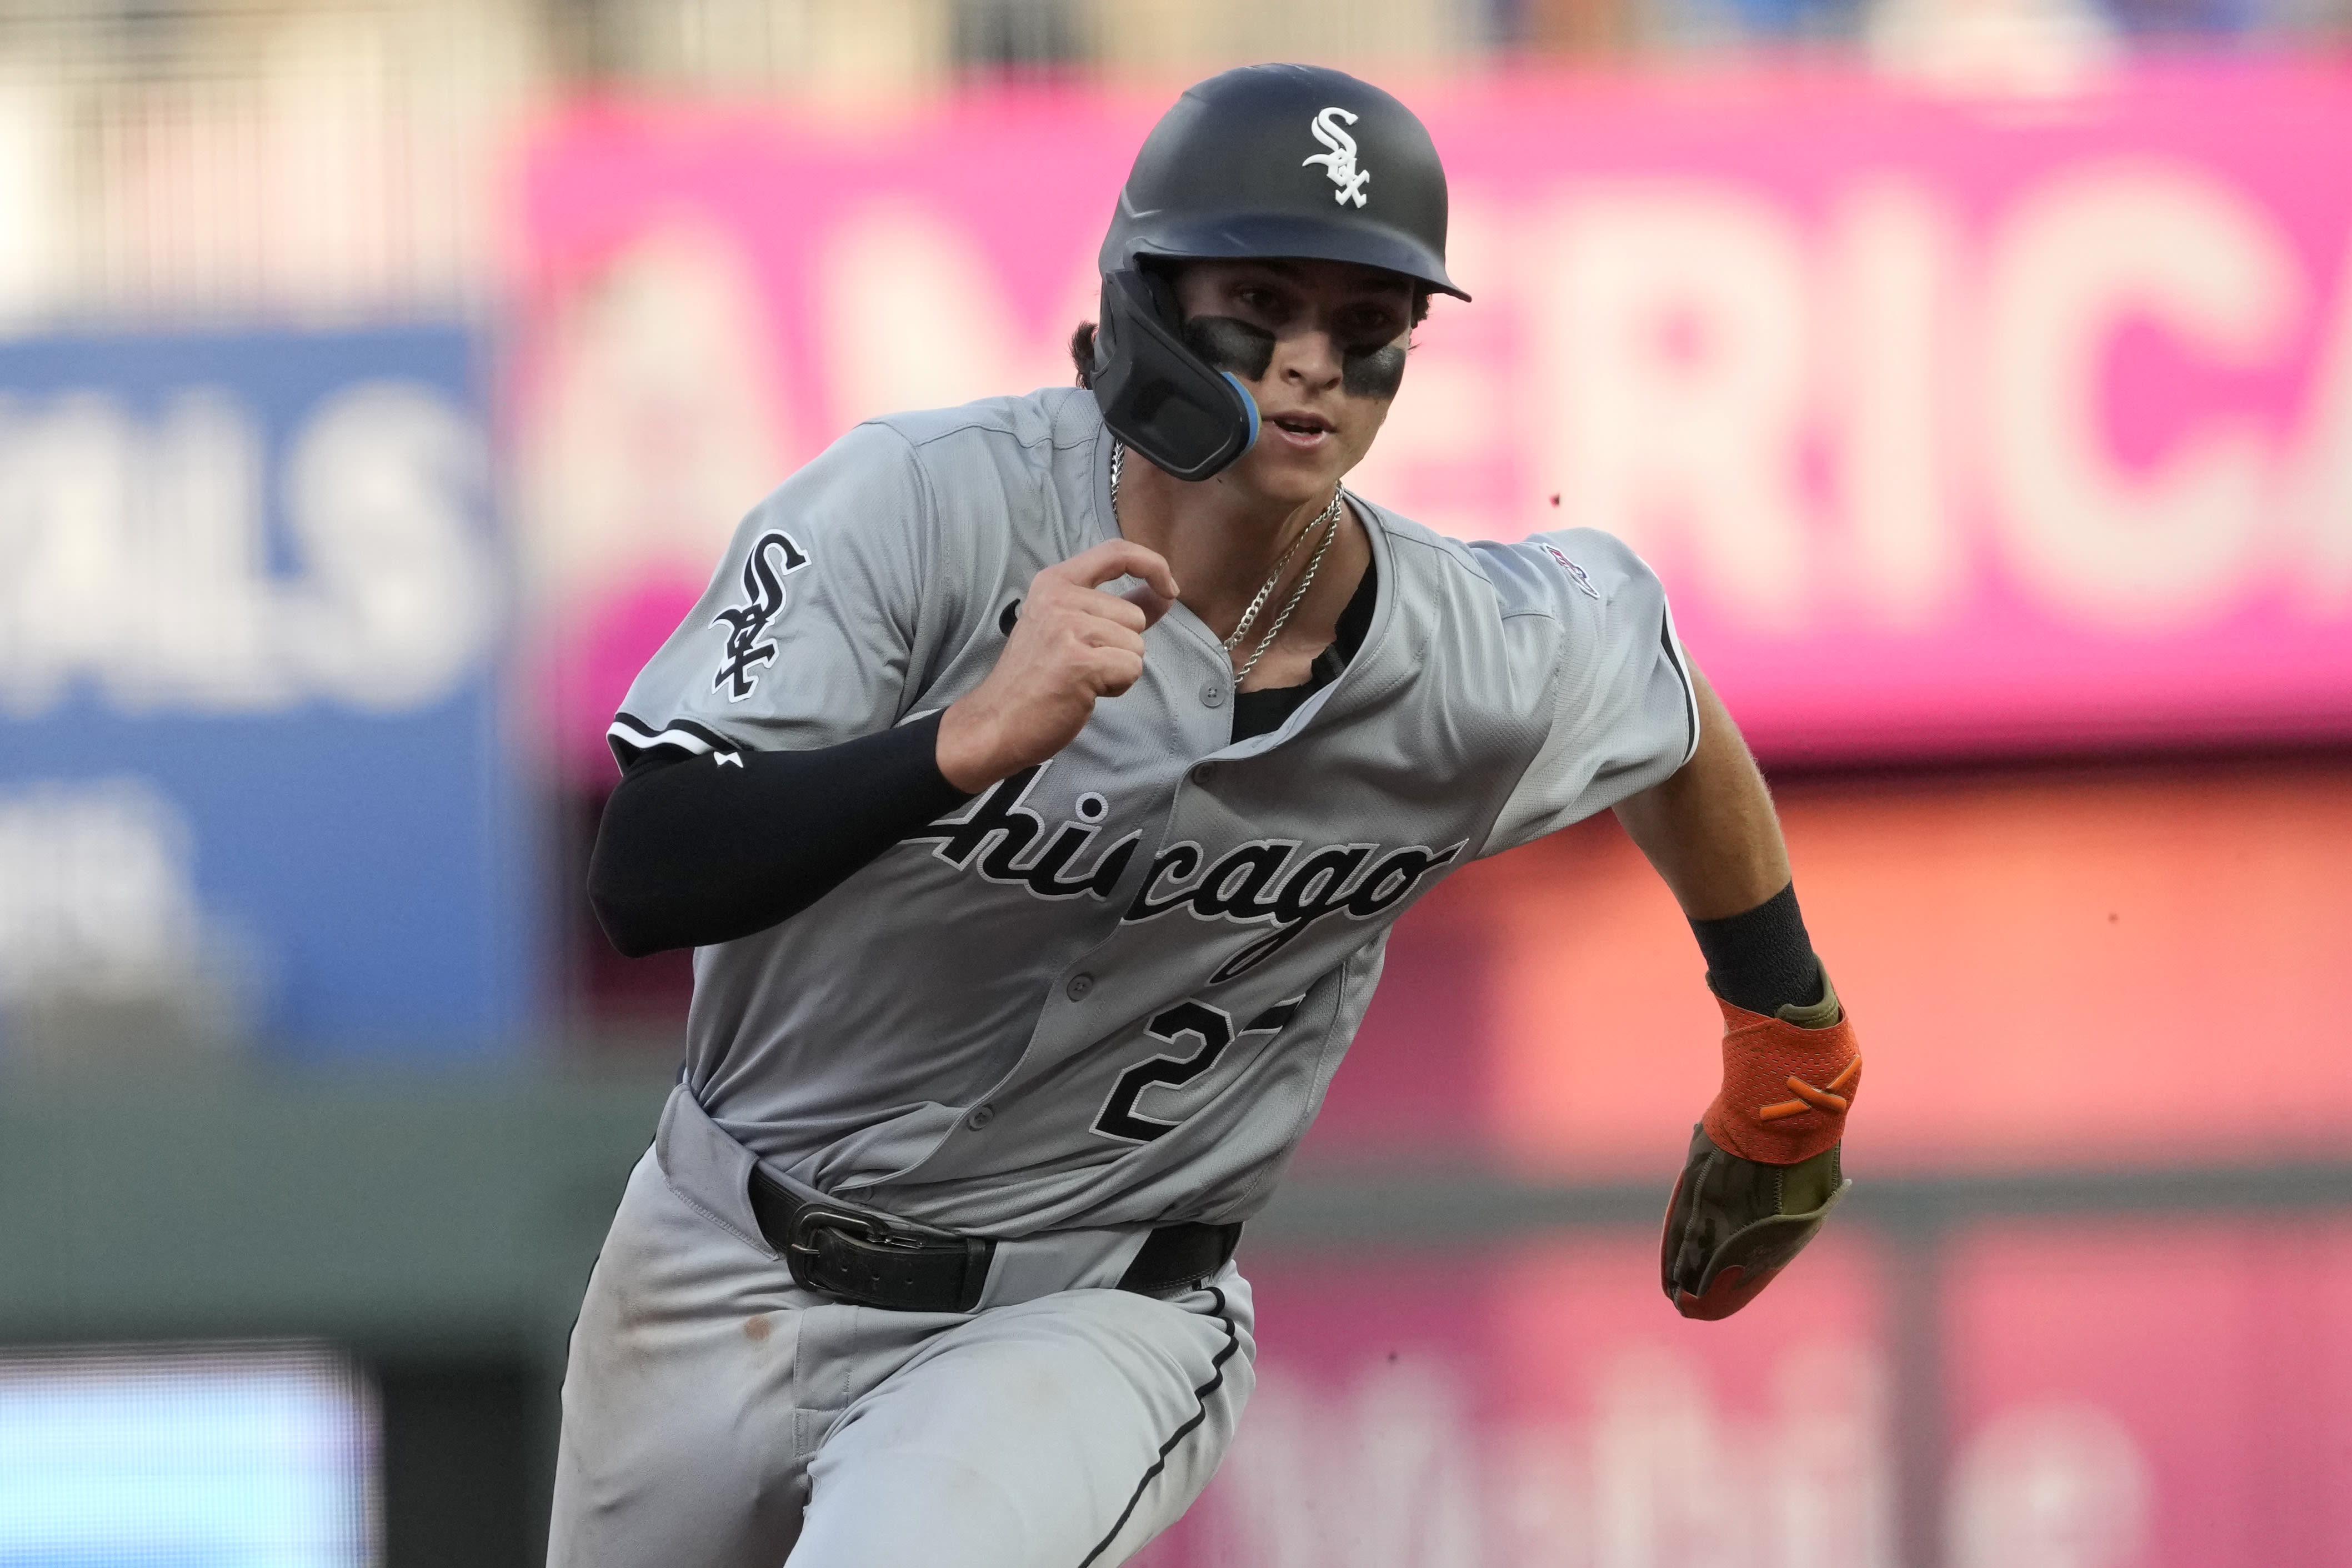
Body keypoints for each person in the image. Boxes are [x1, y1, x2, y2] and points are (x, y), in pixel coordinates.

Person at [550, 61, 1861, 1568]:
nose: (1312, 363)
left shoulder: (1468, 655)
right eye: (1260, 305)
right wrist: (962, 741)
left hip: (1083, 1313)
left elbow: (1666, 706)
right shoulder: (918, 507)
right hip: (719, 1259)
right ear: (1144, 305)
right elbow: (643, 874)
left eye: (1367, 331)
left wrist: (1787, 1042)